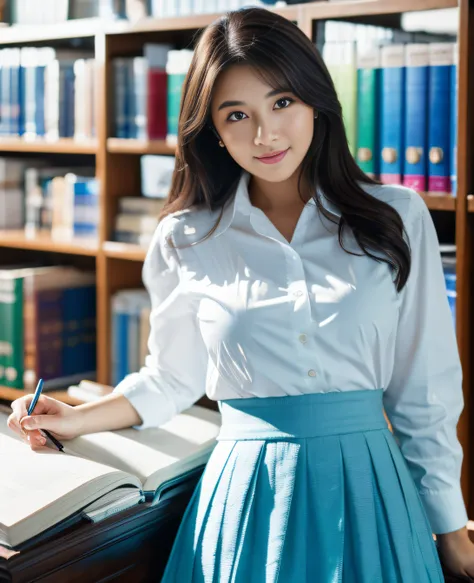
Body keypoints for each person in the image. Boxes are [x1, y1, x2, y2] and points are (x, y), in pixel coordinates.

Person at [7, 7, 474, 581]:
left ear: (315, 103)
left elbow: (424, 393)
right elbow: (173, 377)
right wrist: (80, 418)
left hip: (371, 493)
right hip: (248, 501)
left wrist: (450, 530)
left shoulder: (395, 218)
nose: (265, 134)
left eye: (282, 103)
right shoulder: (188, 236)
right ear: (215, 132)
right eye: (237, 115)